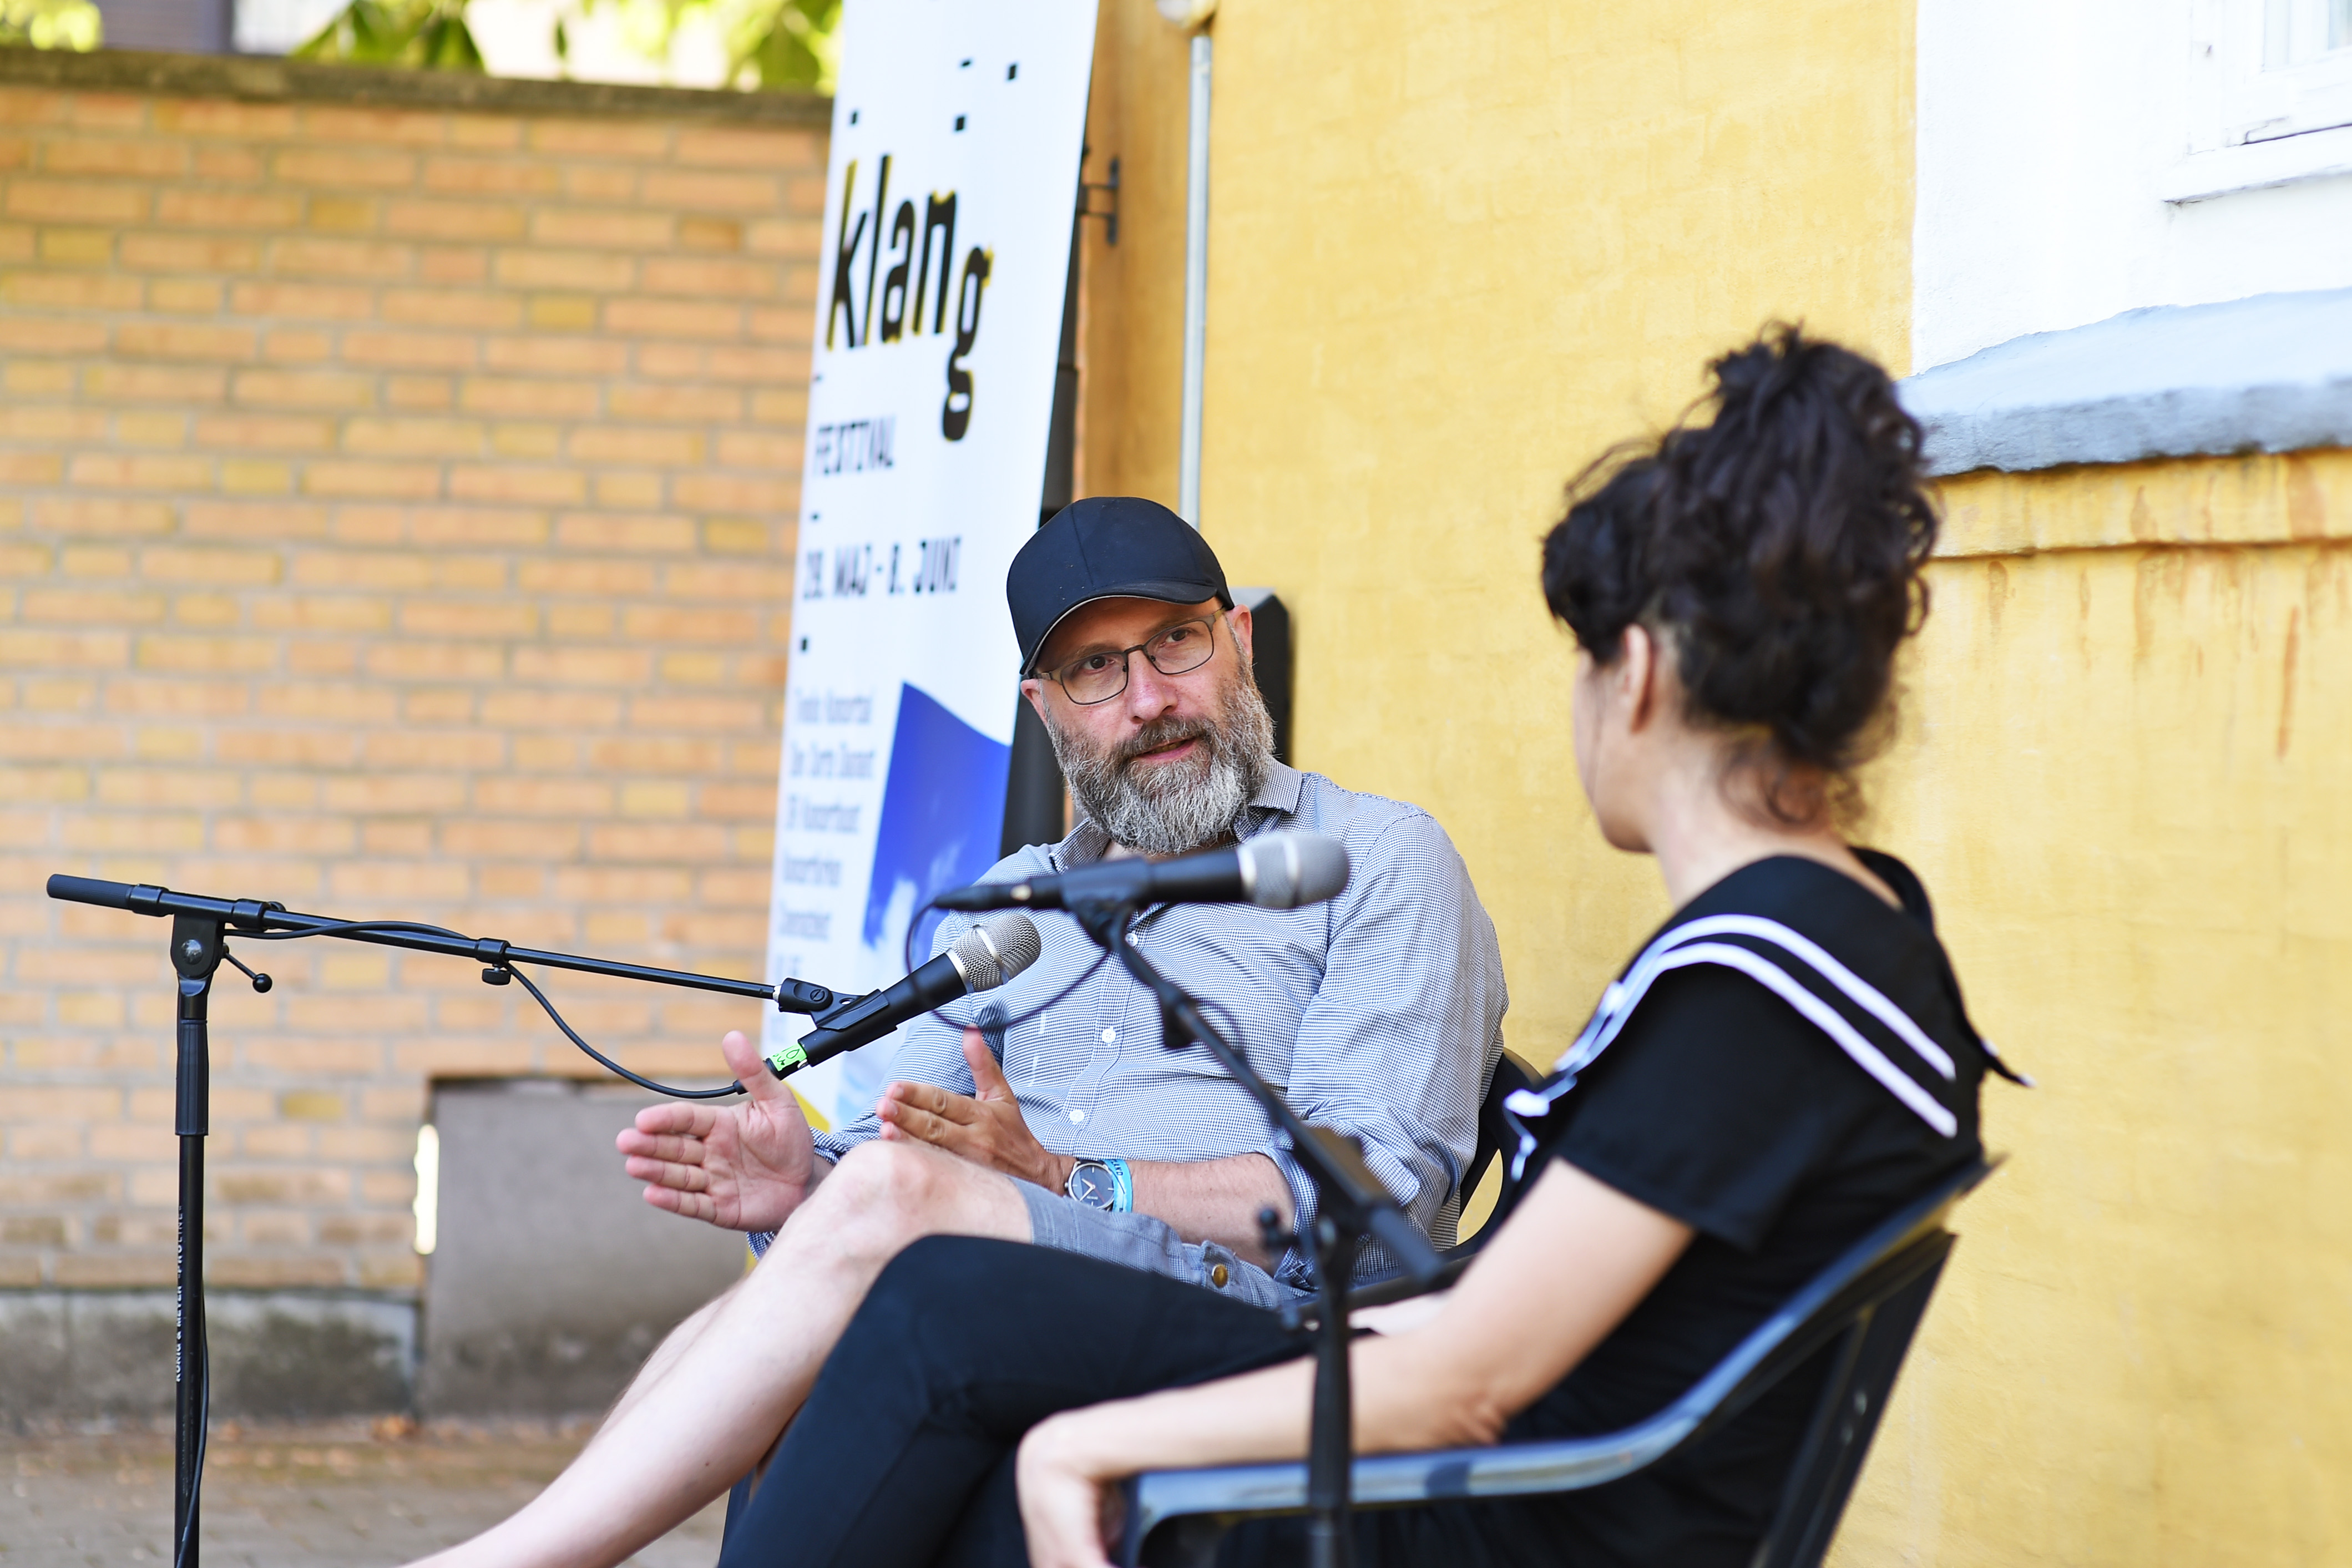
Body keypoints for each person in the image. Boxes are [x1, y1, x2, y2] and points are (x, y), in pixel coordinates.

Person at [709, 326, 2005, 1568]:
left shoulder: (1756, 984)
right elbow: (1483, 1321)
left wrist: (1085, 1436)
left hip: (1464, 1515)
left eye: (1577, 663)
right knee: (881, 1354)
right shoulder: (1810, 951)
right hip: (1468, 1476)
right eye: (1099, 671)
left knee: (931, 1353)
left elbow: (1466, 1362)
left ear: (1638, 675)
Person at [408, 496, 1507, 1568]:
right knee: (799, 1288)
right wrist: (807, 1181)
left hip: (1279, 1332)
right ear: (1044, 707)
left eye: (1176, 641)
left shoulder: (1377, 859)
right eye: (1094, 668)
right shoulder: (1014, 906)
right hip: (1024, 1308)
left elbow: (1375, 1201)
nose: (1147, 700)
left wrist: (1068, 1180)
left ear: (1241, 640)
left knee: (888, 1236)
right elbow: (902, 1149)